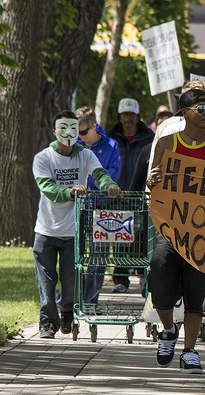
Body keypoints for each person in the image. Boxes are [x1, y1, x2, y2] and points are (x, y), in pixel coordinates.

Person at [147, 88, 205, 374]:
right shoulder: (165, 142)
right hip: (171, 228)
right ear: (184, 113)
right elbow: (154, 183)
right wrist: (152, 179)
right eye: (200, 108)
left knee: (196, 293)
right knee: (158, 273)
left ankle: (189, 351)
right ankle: (168, 329)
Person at [32, 110, 120, 339]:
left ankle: (67, 310)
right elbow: (48, 188)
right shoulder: (43, 158)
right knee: (46, 282)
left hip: (73, 232)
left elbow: (100, 175)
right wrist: (69, 191)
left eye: (73, 128)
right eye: (63, 128)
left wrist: (109, 185)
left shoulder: (86, 156)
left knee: (70, 281)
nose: (69, 133)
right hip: (46, 230)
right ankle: (48, 323)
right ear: (54, 132)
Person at [107, 98, 155, 293]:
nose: (128, 119)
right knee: (119, 239)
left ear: (137, 117)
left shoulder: (149, 138)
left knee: (143, 240)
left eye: (132, 115)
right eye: (125, 115)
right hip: (117, 198)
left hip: (141, 198)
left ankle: (144, 279)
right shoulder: (111, 138)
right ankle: (121, 280)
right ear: (119, 117)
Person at [75, 106, 121, 305]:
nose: (80, 135)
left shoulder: (111, 145)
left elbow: (113, 176)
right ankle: (72, 298)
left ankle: (90, 301)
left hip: (101, 207)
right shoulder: (74, 145)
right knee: (75, 255)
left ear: (94, 126)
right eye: (77, 132)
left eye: (84, 131)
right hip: (77, 206)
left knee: (99, 255)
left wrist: (89, 179)